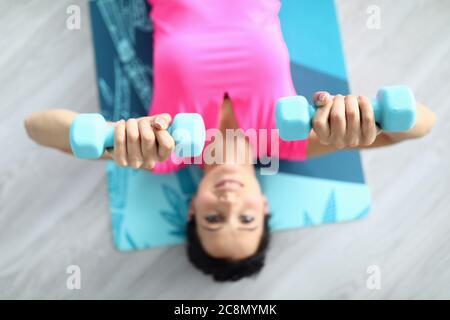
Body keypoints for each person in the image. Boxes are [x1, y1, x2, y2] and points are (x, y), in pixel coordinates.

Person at [24, 0, 436, 282]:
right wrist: (364, 118)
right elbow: (421, 126)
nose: (229, 204)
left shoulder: (162, 150)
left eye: (213, 219)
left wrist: (113, 135)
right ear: (264, 205)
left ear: (192, 210)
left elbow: (36, 128)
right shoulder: (288, 141)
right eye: (246, 219)